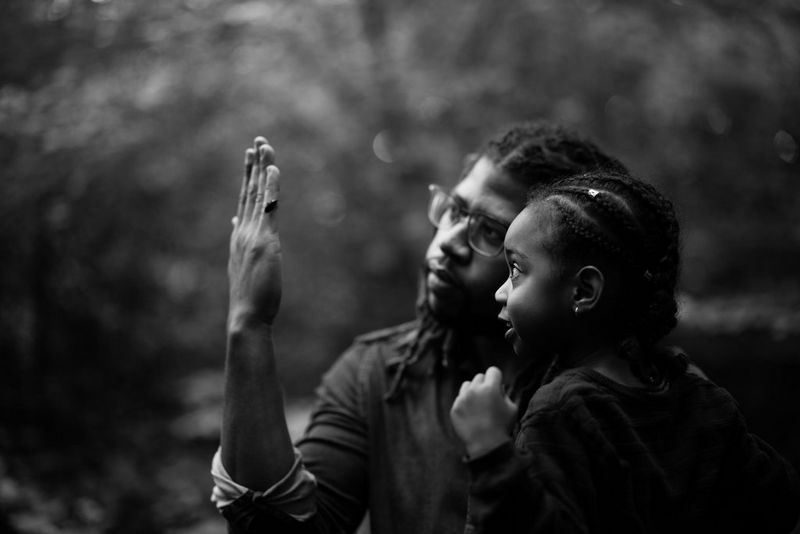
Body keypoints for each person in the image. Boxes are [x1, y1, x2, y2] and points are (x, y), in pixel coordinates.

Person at [211, 122, 628, 534]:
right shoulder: (380, 374)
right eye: (454, 211)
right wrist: (249, 324)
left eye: (489, 231)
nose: (447, 240)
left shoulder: (632, 398)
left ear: (571, 274)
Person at [450, 170, 800, 533]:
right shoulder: (700, 398)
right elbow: (780, 500)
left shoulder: (563, 412)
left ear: (584, 291)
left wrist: (489, 448)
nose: (500, 292)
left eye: (517, 270)